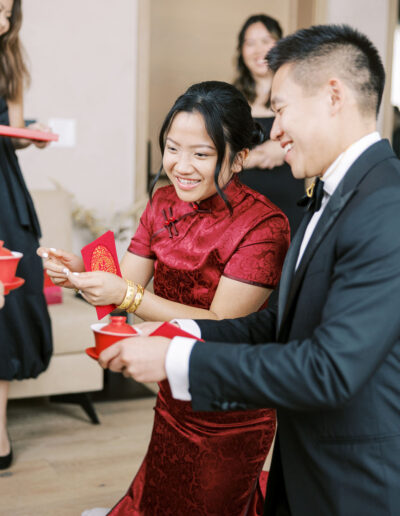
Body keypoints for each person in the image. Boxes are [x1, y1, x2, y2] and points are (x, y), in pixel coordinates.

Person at [98, 25, 400, 516]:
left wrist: (178, 362)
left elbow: (330, 369)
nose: (274, 131)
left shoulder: (386, 205)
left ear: (333, 96)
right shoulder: (328, 196)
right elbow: (273, 324)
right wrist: (177, 333)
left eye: (280, 108)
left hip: (354, 479)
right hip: (302, 463)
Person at [40, 81, 290, 515]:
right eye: (173, 149)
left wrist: (130, 296)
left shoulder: (264, 226)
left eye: (201, 153)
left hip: (229, 399)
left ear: (239, 158)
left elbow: (222, 324)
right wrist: (78, 275)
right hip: (172, 389)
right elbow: (122, 286)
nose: (181, 166)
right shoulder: (162, 204)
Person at [0, 0, 52, 471]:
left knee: (10, 297)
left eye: (7, 8)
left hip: (4, 188)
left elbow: (12, 129)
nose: (2, 17)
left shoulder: (9, 57)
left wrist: (31, 133)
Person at [234, 14, 305, 235]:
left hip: (288, 206)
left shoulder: (298, 92)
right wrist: (257, 157)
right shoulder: (231, 99)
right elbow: (219, 156)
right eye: (250, 43)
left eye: (266, 41)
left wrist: (284, 148)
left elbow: (313, 140)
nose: (258, 50)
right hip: (241, 210)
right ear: (241, 50)